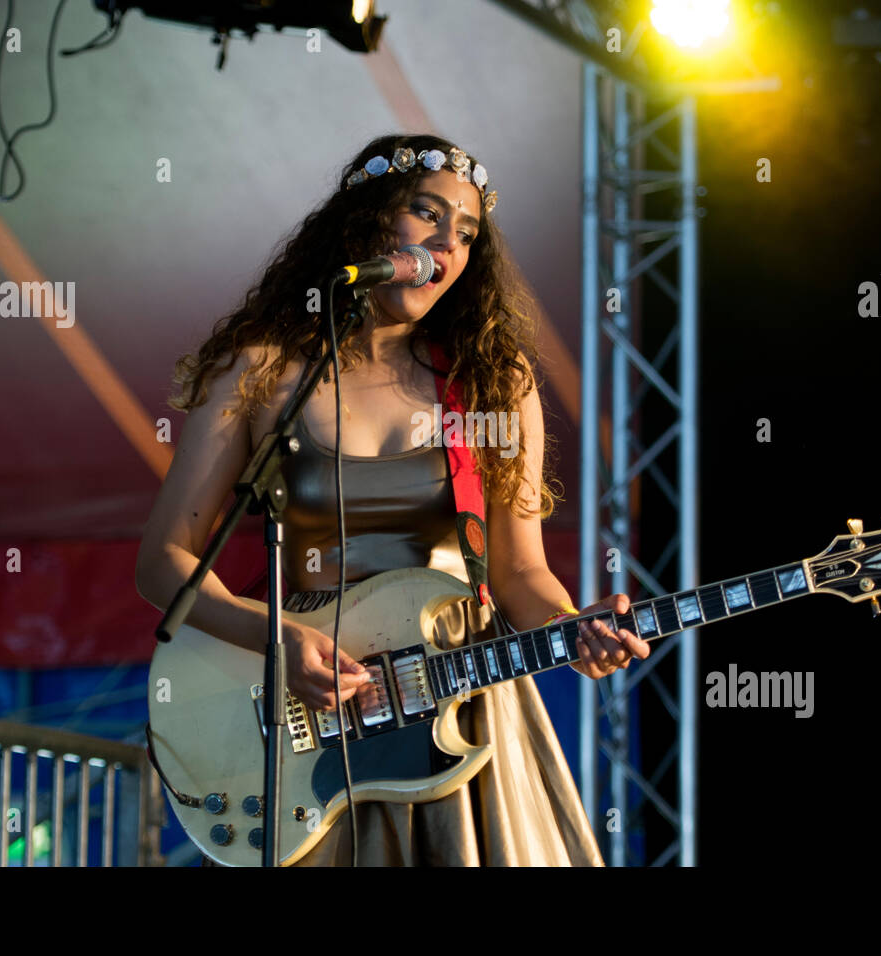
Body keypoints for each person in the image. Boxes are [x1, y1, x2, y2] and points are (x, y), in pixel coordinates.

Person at [135, 133, 650, 866]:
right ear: (368, 222)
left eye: (466, 234)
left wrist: (574, 628)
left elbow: (520, 576)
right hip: (313, 718)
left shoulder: (495, 383)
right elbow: (163, 562)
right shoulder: (263, 369)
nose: (446, 244)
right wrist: (276, 641)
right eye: (426, 215)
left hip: (458, 712)